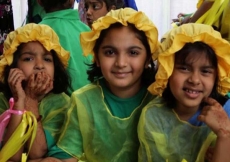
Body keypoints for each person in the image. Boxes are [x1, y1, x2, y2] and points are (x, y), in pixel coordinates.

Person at [52, 8, 159, 162]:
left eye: (133, 53)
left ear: (148, 58)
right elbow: (68, 156)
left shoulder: (158, 101)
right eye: (110, 52)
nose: (121, 63)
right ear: (96, 56)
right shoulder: (83, 101)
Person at [138, 23, 230, 162]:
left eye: (205, 71)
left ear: (216, 77)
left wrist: (225, 136)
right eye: (184, 68)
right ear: (167, 71)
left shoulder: (226, 114)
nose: (194, 80)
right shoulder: (154, 115)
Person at [0, 23, 71, 161]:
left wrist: (30, 100)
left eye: (47, 59)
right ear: (13, 67)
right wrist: (19, 103)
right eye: (28, 58)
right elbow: (9, 156)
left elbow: (37, 152)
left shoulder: (62, 103)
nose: (40, 65)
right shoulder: (2, 101)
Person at [38, 0, 92, 95]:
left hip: (57, 106)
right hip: (93, 103)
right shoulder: (87, 30)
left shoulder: (35, 33)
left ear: (39, 2)